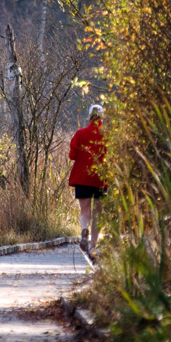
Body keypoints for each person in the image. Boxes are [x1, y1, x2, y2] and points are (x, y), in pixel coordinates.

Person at [69, 104, 107, 254]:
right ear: (102, 117)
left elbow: (72, 156)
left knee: (85, 211)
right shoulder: (107, 135)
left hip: (82, 177)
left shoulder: (80, 134)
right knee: (98, 213)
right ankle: (92, 246)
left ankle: (84, 229)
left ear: (89, 117)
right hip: (101, 179)